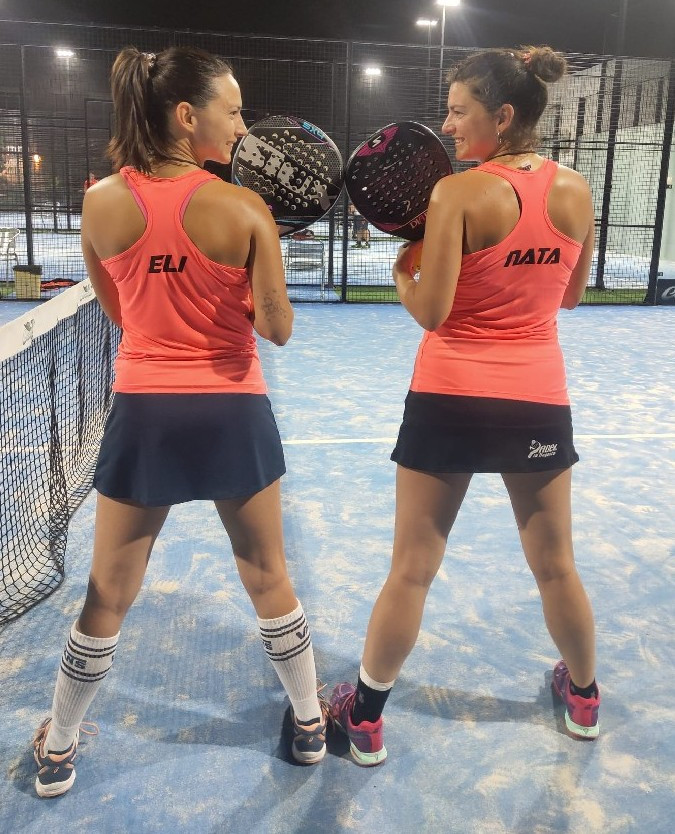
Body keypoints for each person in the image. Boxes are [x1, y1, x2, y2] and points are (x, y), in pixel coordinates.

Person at [32, 46, 327, 798]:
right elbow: (277, 329)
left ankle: (58, 747)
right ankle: (309, 723)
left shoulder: (100, 202)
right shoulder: (246, 209)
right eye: (233, 110)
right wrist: (255, 271)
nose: (242, 127)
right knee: (268, 575)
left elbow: (119, 313)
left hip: (147, 411)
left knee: (108, 591)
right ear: (188, 115)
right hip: (233, 409)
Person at [330, 46, 599, 765]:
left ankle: (365, 718)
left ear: (501, 116)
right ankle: (583, 699)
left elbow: (431, 310)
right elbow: (571, 297)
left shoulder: (457, 194)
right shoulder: (576, 190)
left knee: (412, 568)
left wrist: (402, 270)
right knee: (556, 567)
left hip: (449, 397)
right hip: (536, 400)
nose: (447, 126)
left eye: (457, 111)